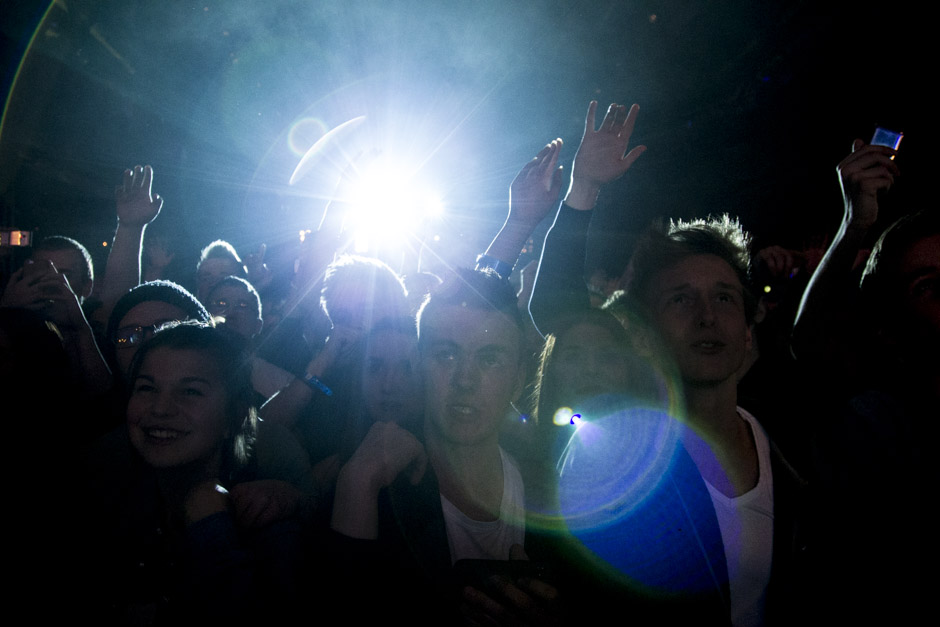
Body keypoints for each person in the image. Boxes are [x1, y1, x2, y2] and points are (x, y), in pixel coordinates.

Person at [328, 269, 556, 624]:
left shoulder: (554, 495)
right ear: (419, 366)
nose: (465, 380)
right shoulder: (374, 486)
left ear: (518, 380)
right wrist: (356, 485)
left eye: (490, 358)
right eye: (446, 355)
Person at [80, 322, 303, 623]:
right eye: (146, 388)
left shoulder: (267, 522)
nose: (160, 408)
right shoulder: (97, 496)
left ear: (235, 418)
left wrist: (211, 524)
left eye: (190, 391)